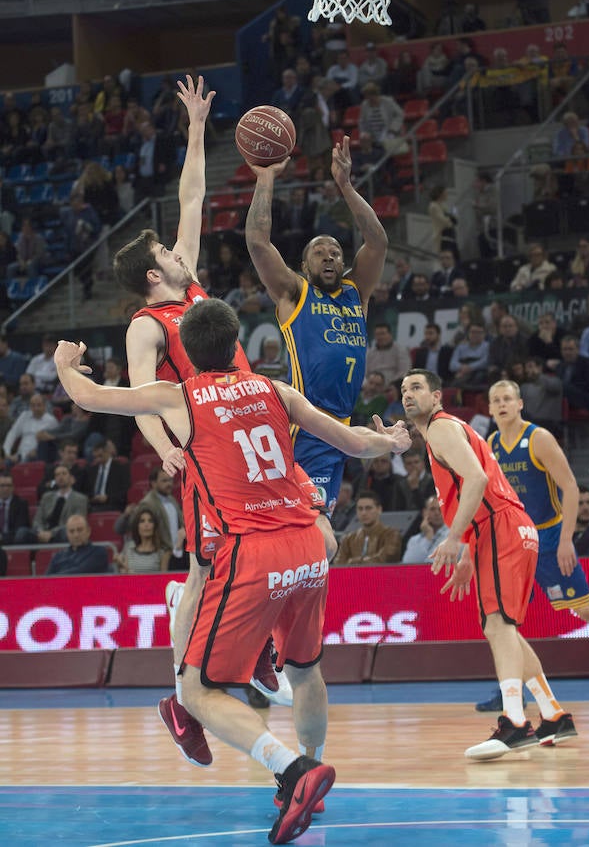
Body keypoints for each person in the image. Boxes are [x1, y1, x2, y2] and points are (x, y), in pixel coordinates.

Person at [52, 298, 411, 844]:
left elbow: (88, 396)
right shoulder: (273, 389)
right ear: (235, 341)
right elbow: (353, 442)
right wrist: (392, 441)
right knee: (306, 670)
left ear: (185, 353)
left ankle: (294, 771)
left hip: (254, 551)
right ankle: (309, 765)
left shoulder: (179, 397)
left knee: (196, 691)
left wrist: (63, 366)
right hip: (310, 546)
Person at [112, 76, 311, 764]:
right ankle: (182, 693)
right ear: (150, 277)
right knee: (205, 571)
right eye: (164, 252)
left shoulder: (190, 281)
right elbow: (142, 396)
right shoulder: (145, 324)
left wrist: (197, 126)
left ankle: (245, 657)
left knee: (277, 548)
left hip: (246, 426)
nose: (176, 248)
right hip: (205, 450)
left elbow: (190, 196)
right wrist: (167, 449)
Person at [398, 368, 576, 759]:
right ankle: (553, 715)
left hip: (499, 525)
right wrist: (468, 547)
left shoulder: (442, 428)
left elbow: (476, 481)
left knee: (498, 625)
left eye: (416, 388)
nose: (407, 394)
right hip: (508, 527)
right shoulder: (444, 431)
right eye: (403, 389)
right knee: (506, 629)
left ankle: (514, 721)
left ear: (438, 396)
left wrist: (454, 538)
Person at [244, 134, 388, 514]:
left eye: (336, 253)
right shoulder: (296, 293)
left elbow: (377, 242)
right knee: (309, 521)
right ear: (304, 266)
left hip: (342, 426)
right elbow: (258, 243)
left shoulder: (357, 293)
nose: (330, 257)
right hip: (306, 426)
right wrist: (266, 178)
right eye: (319, 253)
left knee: (315, 522)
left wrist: (346, 186)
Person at [473, 379, 589, 712]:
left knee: (585, 609)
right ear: (488, 408)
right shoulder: (491, 443)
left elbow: (570, 488)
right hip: (513, 542)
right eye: (495, 400)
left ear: (519, 404)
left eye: (507, 399)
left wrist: (565, 540)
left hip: (547, 538)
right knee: (503, 623)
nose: (501, 404)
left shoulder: (539, 439)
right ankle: (510, 690)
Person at [14, 463, 88, 546]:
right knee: (22, 533)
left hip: (59, 534)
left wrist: (51, 533)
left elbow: (76, 523)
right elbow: (38, 519)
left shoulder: (80, 499)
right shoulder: (47, 497)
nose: (60, 477)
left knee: (66, 532)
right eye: (57, 475)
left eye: (64, 473)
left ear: (72, 479)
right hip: (42, 533)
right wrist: (41, 532)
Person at [333, 490, 402, 565]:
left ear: (379, 509)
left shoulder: (392, 534)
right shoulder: (348, 539)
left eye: (368, 508)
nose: (364, 513)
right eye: (360, 509)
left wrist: (352, 561)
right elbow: (338, 564)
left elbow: (385, 559)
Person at [114, 504, 171, 573]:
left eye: (150, 521)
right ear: (137, 526)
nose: (146, 524)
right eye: (142, 521)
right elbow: (124, 573)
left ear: (155, 526)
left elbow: (164, 579)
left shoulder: (163, 551)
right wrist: (120, 565)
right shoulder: (129, 547)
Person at [45, 514, 109, 576]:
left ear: (88, 531)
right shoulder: (58, 556)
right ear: (67, 534)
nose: (76, 535)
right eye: (71, 531)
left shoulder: (99, 552)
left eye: (80, 530)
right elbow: (45, 580)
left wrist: (54, 578)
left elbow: (80, 573)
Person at [3, 392, 58, 463]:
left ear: (44, 406)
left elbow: (54, 442)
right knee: (7, 462)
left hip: (37, 456)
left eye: (39, 405)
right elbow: (12, 434)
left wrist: (38, 450)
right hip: (19, 456)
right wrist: (7, 453)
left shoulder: (51, 421)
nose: (36, 408)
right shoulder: (24, 416)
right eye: (33, 405)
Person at [402, 495, 449, 564]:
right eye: (432, 509)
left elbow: (433, 563)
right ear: (424, 512)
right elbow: (408, 563)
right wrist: (428, 537)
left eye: (440, 509)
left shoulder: (452, 536)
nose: (437, 513)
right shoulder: (414, 540)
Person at [0, 472, 30, 552]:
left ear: (13, 487)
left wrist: (2, 538)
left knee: (21, 532)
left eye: (9, 485)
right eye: (2, 485)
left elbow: (20, 527)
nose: (5, 489)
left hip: (14, 540)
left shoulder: (21, 503)